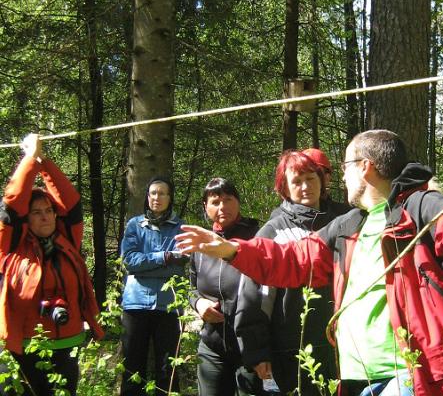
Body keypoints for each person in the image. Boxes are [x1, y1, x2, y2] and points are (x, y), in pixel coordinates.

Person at [175, 129, 443, 396]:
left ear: (365, 167)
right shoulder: (348, 225)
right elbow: (293, 259)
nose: (339, 175)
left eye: (344, 166)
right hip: (356, 379)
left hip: (411, 376)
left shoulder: (420, 207)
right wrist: (231, 249)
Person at [0, 134, 104, 395]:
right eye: (36, 212)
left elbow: (71, 202)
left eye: (48, 210)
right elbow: (12, 204)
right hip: (24, 344)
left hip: (68, 340)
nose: (45, 216)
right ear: (26, 219)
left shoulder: (67, 239)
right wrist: (29, 160)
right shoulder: (11, 246)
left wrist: (43, 160)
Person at [236, 151, 342, 395]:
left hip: (342, 346)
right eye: (296, 181)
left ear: (322, 180)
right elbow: (254, 297)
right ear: (284, 187)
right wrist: (257, 351)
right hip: (292, 350)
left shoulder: (343, 221)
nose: (305, 187)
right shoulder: (273, 232)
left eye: (311, 179)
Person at [189, 178, 263, 396]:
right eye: (215, 201)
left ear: (238, 202)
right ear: (206, 207)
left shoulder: (256, 236)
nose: (222, 207)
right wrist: (199, 303)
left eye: (228, 200)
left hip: (249, 347)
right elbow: (192, 289)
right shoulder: (201, 244)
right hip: (212, 345)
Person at [120, 176, 188, 395]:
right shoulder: (134, 225)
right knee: (132, 367)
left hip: (168, 305)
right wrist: (165, 257)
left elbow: (179, 265)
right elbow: (130, 261)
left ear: (170, 197)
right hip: (135, 304)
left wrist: (149, 262)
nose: (157, 198)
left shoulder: (181, 228)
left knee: (167, 368)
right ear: (147, 197)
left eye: (162, 193)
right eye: (153, 193)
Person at [269, 148, 351, 219]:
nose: (306, 186)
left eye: (310, 177)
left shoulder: (344, 214)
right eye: (297, 181)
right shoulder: (278, 220)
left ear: (327, 177)